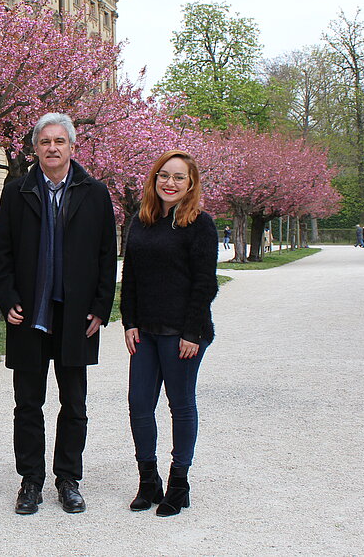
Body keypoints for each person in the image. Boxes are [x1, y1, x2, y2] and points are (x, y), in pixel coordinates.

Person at [0, 113, 117, 515]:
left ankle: (68, 479)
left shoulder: (94, 193)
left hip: (76, 316)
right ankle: (30, 480)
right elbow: (2, 252)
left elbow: (106, 256)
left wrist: (100, 308)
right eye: (45, 142)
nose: (52, 148)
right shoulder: (17, 191)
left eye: (59, 141)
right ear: (36, 148)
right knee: (28, 403)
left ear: (72, 147)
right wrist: (7, 297)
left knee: (74, 403)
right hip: (28, 313)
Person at [120, 150, 219, 517]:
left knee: (180, 405)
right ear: (154, 179)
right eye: (164, 175)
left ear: (190, 183)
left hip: (183, 333)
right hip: (144, 331)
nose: (170, 183)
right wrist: (128, 321)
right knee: (139, 404)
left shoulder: (200, 224)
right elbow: (129, 278)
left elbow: (205, 283)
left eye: (179, 177)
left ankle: (179, 482)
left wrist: (191, 331)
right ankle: (149, 481)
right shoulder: (142, 222)